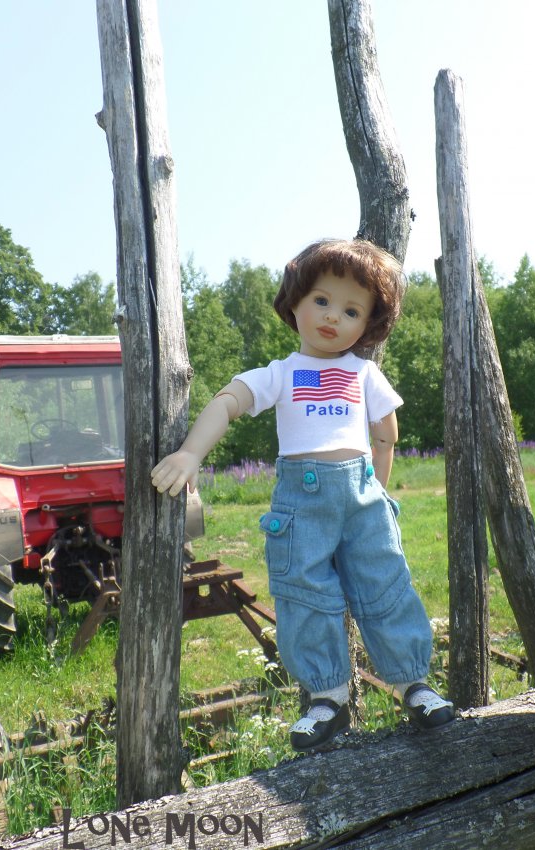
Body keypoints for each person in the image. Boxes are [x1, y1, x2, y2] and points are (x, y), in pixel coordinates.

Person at [151, 238, 454, 751]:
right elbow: (228, 402)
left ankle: (413, 683)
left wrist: (378, 489)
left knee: (386, 584)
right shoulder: (281, 373)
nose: (333, 317)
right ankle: (327, 698)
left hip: (362, 498)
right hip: (302, 502)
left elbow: (386, 434)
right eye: (321, 300)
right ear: (294, 302)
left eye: (351, 310)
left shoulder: (364, 372)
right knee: (304, 593)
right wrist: (190, 454)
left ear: (367, 325)